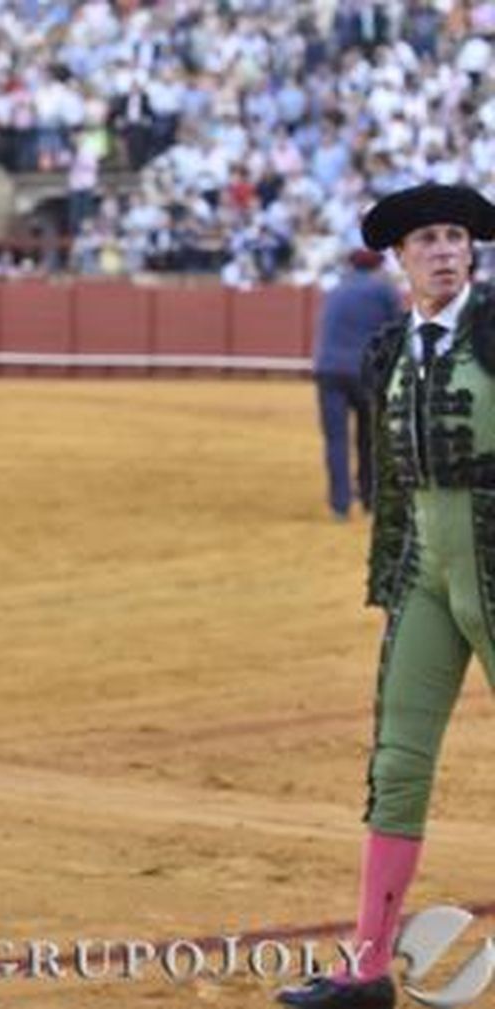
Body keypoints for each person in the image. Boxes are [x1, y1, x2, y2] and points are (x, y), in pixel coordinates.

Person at [277, 182, 495, 1009]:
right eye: (427, 239)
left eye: (456, 237)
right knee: (397, 765)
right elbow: (394, 483)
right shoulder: (388, 348)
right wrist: (394, 576)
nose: (445, 250)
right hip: (427, 580)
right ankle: (367, 970)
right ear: (400, 258)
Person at [313, 248, 402, 520]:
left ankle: (340, 505)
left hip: (329, 370)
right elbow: (396, 332)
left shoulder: (336, 289)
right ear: (377, 267)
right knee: (369, 438)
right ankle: (369, 499)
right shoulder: (385, 290)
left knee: (336, 440)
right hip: (365, 372)